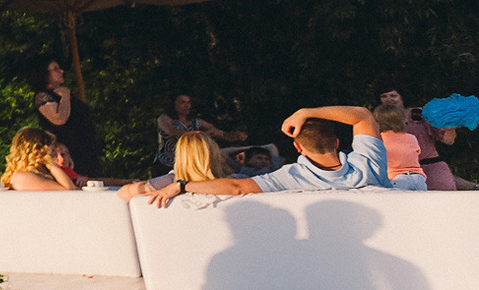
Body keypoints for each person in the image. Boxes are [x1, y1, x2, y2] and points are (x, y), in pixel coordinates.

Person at [145, 105, 429, 205]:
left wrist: (181, 184)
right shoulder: (367, 163)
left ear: (298, 147)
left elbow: (236, 187)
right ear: (338, 141)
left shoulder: (291, 176)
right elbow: (363, 115)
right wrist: (308, 111)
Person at [32, 59, 100, 177]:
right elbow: (59, 119)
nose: (61, 71)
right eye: (56, 69)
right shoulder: (43, 96)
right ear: (44, 73)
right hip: (68, 149)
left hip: (84, 148)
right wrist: (65, 96)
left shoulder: (63, 94)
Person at [120, 132, 228, 200]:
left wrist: (143, 185)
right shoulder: (233, 182)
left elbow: (122, 193)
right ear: (214, 154)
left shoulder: (171, 181)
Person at [153, 94, 245, 171]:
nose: (186, 106)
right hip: (165, 165)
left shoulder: (196, 122)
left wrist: (235, 135)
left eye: (188, 103)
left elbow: (219, 133)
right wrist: (200, 135)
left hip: (189, 165)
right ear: (173, 104)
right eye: (182, 102)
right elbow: (172, 131)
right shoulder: (164, 118)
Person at [1, 127, 84, 191]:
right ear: (38, 150)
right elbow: (69, 191)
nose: (55, 151)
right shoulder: (23, 177)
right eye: (52, 146)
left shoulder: (44, 171)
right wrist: (51, 165)